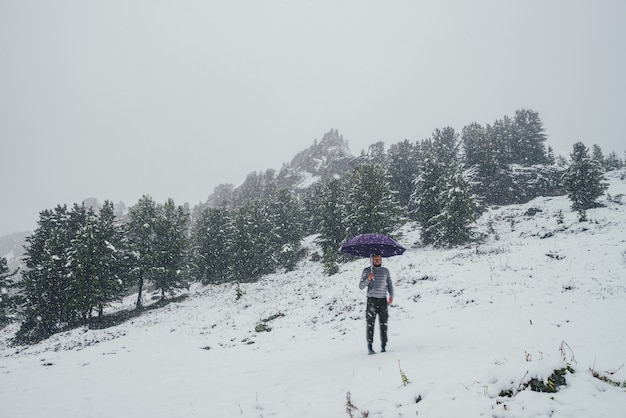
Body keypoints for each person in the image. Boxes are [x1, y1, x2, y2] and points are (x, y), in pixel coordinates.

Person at [359, 253, 394, 355]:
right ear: (372, 260)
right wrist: (368, 279)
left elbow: (390, 284)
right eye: (375, 259)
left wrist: (391, 295)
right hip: (372, 300)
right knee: (370, 324)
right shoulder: (367, 271)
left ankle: (384, 345)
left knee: (384, 323)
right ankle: (370, 346)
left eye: (379, 259)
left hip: (383, 300)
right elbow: (361, 286)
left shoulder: (385, 271)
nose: (377, 261)